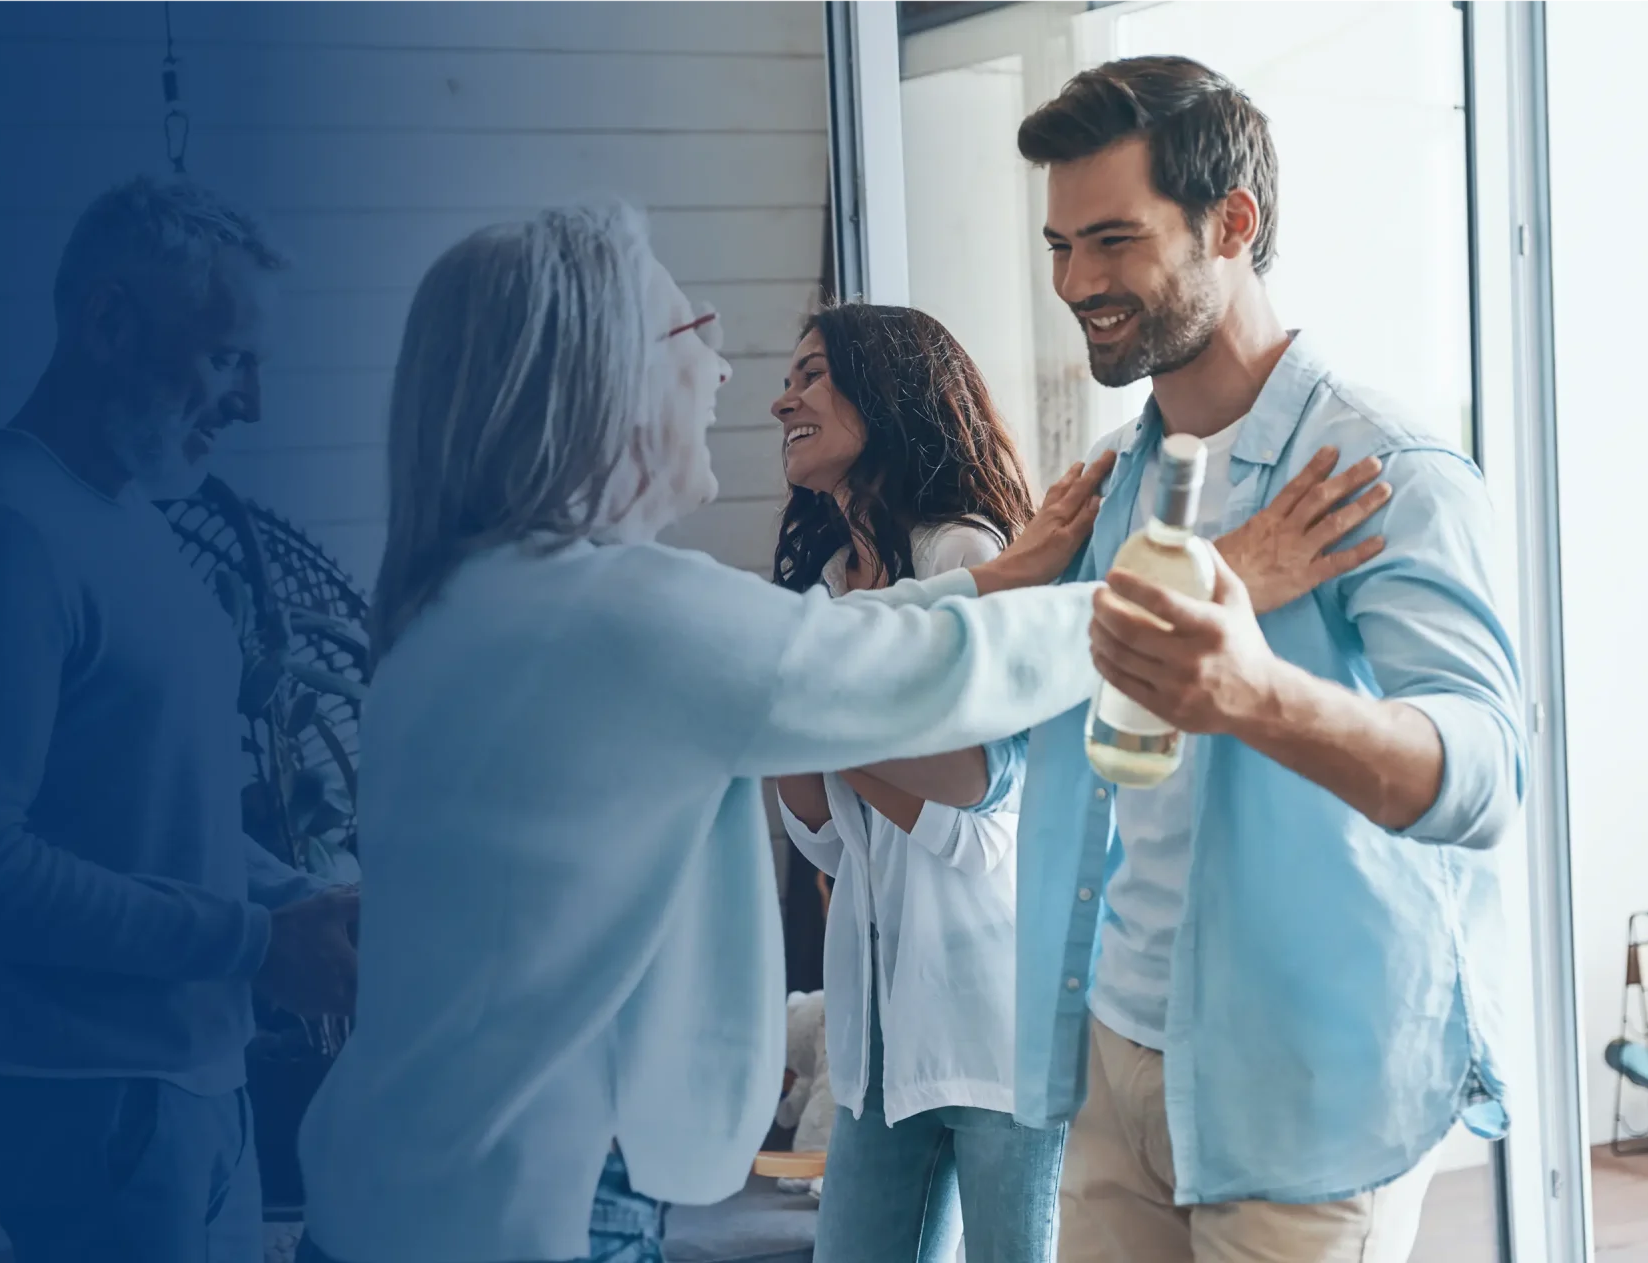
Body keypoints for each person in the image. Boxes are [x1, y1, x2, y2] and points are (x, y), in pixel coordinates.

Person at [294, 201, 1118, 1263]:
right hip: (524, 1215)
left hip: (402, 1196)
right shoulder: (612, 614)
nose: (732, 379)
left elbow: (827, 644)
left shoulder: (467, 603)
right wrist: (1192, 589)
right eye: (698, 337)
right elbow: (914, 670)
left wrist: (991, 578)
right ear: (603, 378)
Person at [1007, 58, 1525, 1263]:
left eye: (1111, 241)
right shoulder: (1115, 478)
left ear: (1231, 222)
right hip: (1117, 1062)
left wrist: (1255, 692)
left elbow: (1485, 772)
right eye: (1058, 247)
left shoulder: (1383, 468)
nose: (1076, 284)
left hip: (1302, 1089)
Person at [769, 304, 1389, 1263]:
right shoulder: (821, 592)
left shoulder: (971, 557)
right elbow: (820, 835)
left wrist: (811, 712)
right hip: (874, 1040)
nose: (784, 398)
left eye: (811, 373)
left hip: (994, 1023)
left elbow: (982, 812)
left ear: (881, 388)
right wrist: (822, 715)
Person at [0, 175, 363, 1263]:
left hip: (190, 1088)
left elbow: (154, 817)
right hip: (91, 1101)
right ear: (107, 323)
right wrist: (252, 944)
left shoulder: (125, 518)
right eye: (227, 359)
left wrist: (305, 905)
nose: (252, 405)